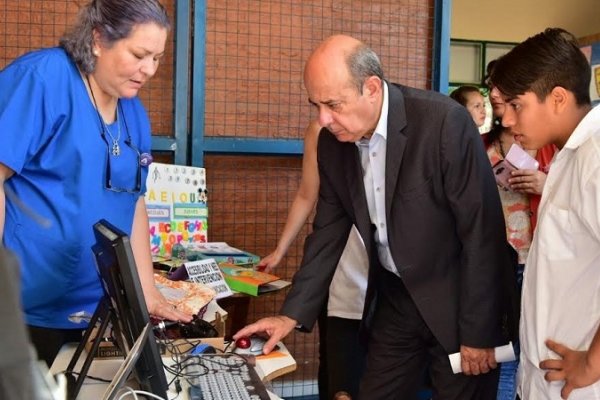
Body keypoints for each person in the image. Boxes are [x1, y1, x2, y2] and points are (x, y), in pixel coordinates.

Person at [235, 34, 518, 400]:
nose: (323, 119)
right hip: (397, 301)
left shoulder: (441, 123)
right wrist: (289, 316)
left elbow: (482, 233)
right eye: (315, 105)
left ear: (371, 88)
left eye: (333, 104)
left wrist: (480, 333)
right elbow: (326, 233)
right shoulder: (332, 144)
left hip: (458, 300)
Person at [0, 0, 191, 367]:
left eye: (157, 58)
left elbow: (134, 202)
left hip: (97, 309)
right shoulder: (41, 79)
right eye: (139, 54)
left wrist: (147, 292)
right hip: (24, 307)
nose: (149, 69)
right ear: (99, 39)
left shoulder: (133, 110)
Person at [489, 28, 600, 400]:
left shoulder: (595, 155)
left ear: (557, 98)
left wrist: (592, 364)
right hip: (545, 380)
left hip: (578, 386)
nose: (507, 120)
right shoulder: (568, 153)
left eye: (517, 105)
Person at [257, 120, 369, 400]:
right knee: (337, 366)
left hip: (385, 280)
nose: (326, 115)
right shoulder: (321, 131)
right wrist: (280, 249)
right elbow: (308, 194)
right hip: (342, 269)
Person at [481, 82, 557, 400]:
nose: (496, 96)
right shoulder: (480, 144)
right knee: (499, 348)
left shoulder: (553, 145)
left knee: (528, 345)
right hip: (493, 260)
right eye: (491, 91)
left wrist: (545, 183)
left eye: (504, 91)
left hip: (537, 259)